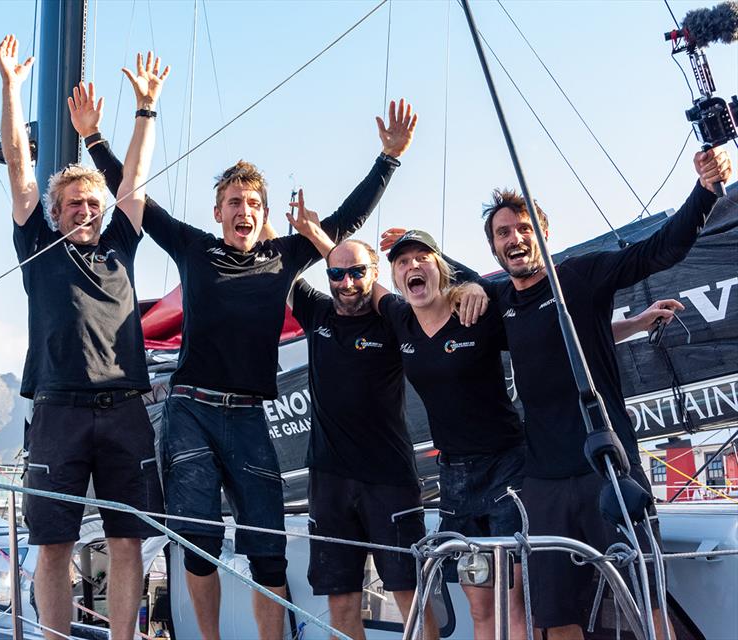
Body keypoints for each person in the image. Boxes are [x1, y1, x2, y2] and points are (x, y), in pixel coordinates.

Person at [69, 87, 417, 639]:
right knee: (199, 542)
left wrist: (388, 158)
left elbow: (346, 222)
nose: (244, 211)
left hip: (250, 416)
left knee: (268, 550)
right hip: (191, 410)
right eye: (234, 202)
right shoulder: (193, 247)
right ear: (218, 211)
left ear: (264, 214)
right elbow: (130, 192)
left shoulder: (284, 258)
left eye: (253, 203)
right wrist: (93, 137)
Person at [482, 147, 732, 639]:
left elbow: (660, 249)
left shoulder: (580, 276)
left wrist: (704, 192)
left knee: (646, 600)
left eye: (525, 228)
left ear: (544, 234)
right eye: (503, 233)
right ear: (494, 249)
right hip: (544, 483)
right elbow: (439, 295)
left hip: (609, 471)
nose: (515, 238)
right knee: (555, 616)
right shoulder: (498, 301)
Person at [0, 36, 168, 640]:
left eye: (92, 202)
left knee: (129, 542)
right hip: (57, 413)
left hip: (125, 410)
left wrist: (145, 108)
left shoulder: (121, 243)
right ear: (56, 210)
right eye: (73, 204)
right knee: (52, 543)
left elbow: (135, 179)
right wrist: (12, 90)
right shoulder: (38, 249)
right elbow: (20, 165)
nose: (85, 211)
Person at [280, 203, 438, 639]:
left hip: (389, 480)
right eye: (337, 275)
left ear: (374, 275)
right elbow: (275, 262)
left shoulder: (392, 318)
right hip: (329, 482)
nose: (347, 283)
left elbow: (432, 295)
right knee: (341, 602)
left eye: (357, 274)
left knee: (412, 597)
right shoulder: (316, 312)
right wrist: (308, 232)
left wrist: (332, 245)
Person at [365, 229, 529, 639]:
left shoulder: (474, 309)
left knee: (514, 603)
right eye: (403, 262)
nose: (412, 266)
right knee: (478, 605)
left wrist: (476, 283)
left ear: (442, 268)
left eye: (423, 258)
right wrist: (309, 232)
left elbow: (528, 305)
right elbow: (360, 277)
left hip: (507, 467)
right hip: (454, 478)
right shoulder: (401, 318)